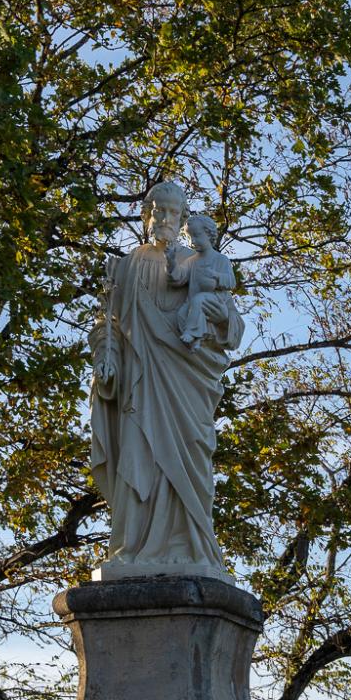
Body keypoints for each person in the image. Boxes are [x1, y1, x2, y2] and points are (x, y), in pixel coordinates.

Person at [87, 181, 241, 581]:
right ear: (147, 216)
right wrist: (106, 363)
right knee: (138, 461)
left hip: (186, 390)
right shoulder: (128, 265)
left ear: (184, 220)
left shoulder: (199, 263)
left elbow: (232, 326)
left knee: (190, 462)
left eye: (174, 214)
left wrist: (216, 319)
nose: (166, 219)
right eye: (159, 211)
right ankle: (133, 550)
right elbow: (110, 328)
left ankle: (188, 546)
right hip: (140, 387)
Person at [168, 213, 238, 351]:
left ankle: (191, 333)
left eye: (196, 236)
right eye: (189, 237)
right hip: (195, 303)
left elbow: (231, 282)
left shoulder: (220, 259)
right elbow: (179, 278)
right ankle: (197, 341)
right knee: (182, 313)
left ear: (208, 234)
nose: (192, 241)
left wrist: (216, 276)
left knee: (198, 300)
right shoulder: (191, 262)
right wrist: (171, 263)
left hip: (216, 301)